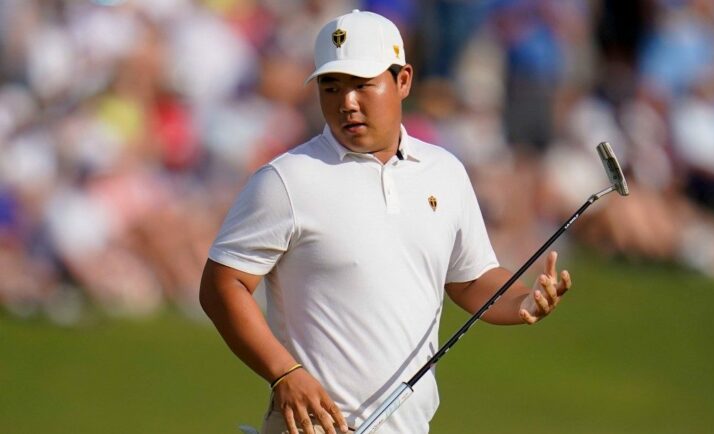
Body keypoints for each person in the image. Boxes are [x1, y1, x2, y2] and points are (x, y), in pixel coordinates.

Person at [199, 9, 572, 434]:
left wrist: (523, 302)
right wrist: (284, 373)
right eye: (331, 86)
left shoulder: (443, 172)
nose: (347, 102)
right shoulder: (286, 180)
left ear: (403, 81)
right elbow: (221, 285)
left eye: (363, 85)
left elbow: (470, 280)